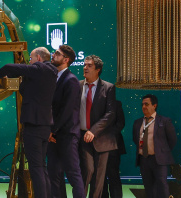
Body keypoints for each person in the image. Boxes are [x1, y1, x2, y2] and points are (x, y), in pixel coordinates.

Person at [0, 47, 57, 198]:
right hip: (44, 126)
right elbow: (27, 89)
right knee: (42, 167)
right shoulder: (51, 72)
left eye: (31, 58)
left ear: (39, 58)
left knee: (36, 169)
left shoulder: (40, 68)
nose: (30, 62)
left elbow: (9, 67)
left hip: (33, 127)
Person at [47, 45, 85, 198]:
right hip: (54, 135)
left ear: (66, 59)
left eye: (57, 53)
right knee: (53, 175)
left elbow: (67, 110)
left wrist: (52, 130)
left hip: (67, 135)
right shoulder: (53, 77)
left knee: (73, 174)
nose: (53, 55)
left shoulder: (71, 80)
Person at [78, 55, 117, 198]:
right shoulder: (77, 85)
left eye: (89, 65)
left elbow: (111, 113)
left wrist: (93, 131)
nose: (85, 67)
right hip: (82, 137)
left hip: (102, 138)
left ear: (98, 69)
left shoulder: (108, 88)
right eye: (84, 64)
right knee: (87, 171)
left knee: (99, 178)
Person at [132, 94, 176, 198]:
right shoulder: (137, 122)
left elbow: (172, 140)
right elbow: (135, 139)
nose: (143, 107)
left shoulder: (164, 121)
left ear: (154, 105)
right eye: (142, 104)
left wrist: (162, 151)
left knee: (162, 184)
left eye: (146, 104)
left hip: (159, 160)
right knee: (148, 186)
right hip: (144, 159)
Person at [102, 100, 126, 198]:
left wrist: (104, 135)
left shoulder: (116, 104)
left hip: (113, 147)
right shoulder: (92, 103)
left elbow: (121, 123)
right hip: (96, 146)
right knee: (100, 178)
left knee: (113, 176)